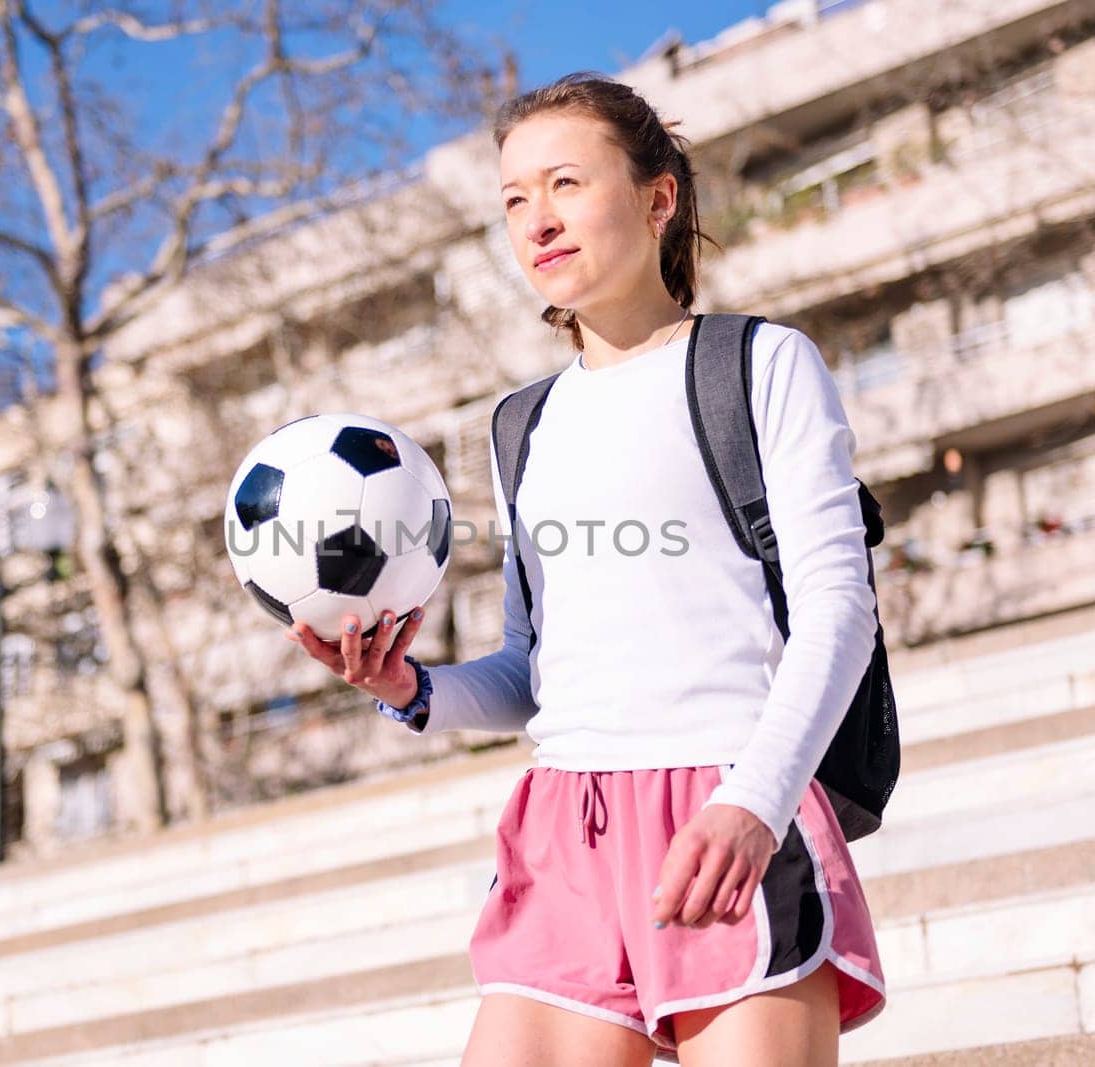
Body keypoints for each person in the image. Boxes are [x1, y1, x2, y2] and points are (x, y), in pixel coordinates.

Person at [287, 71, 886, 1067]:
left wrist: (754, 803)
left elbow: (839, 610)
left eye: (564, 183)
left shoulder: (759, 363)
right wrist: (413, 688)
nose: (537, 219)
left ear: (659, 198)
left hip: (727, 796)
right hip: (565, 821)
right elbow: (532, 669)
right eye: (515, 199)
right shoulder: (520, 424)